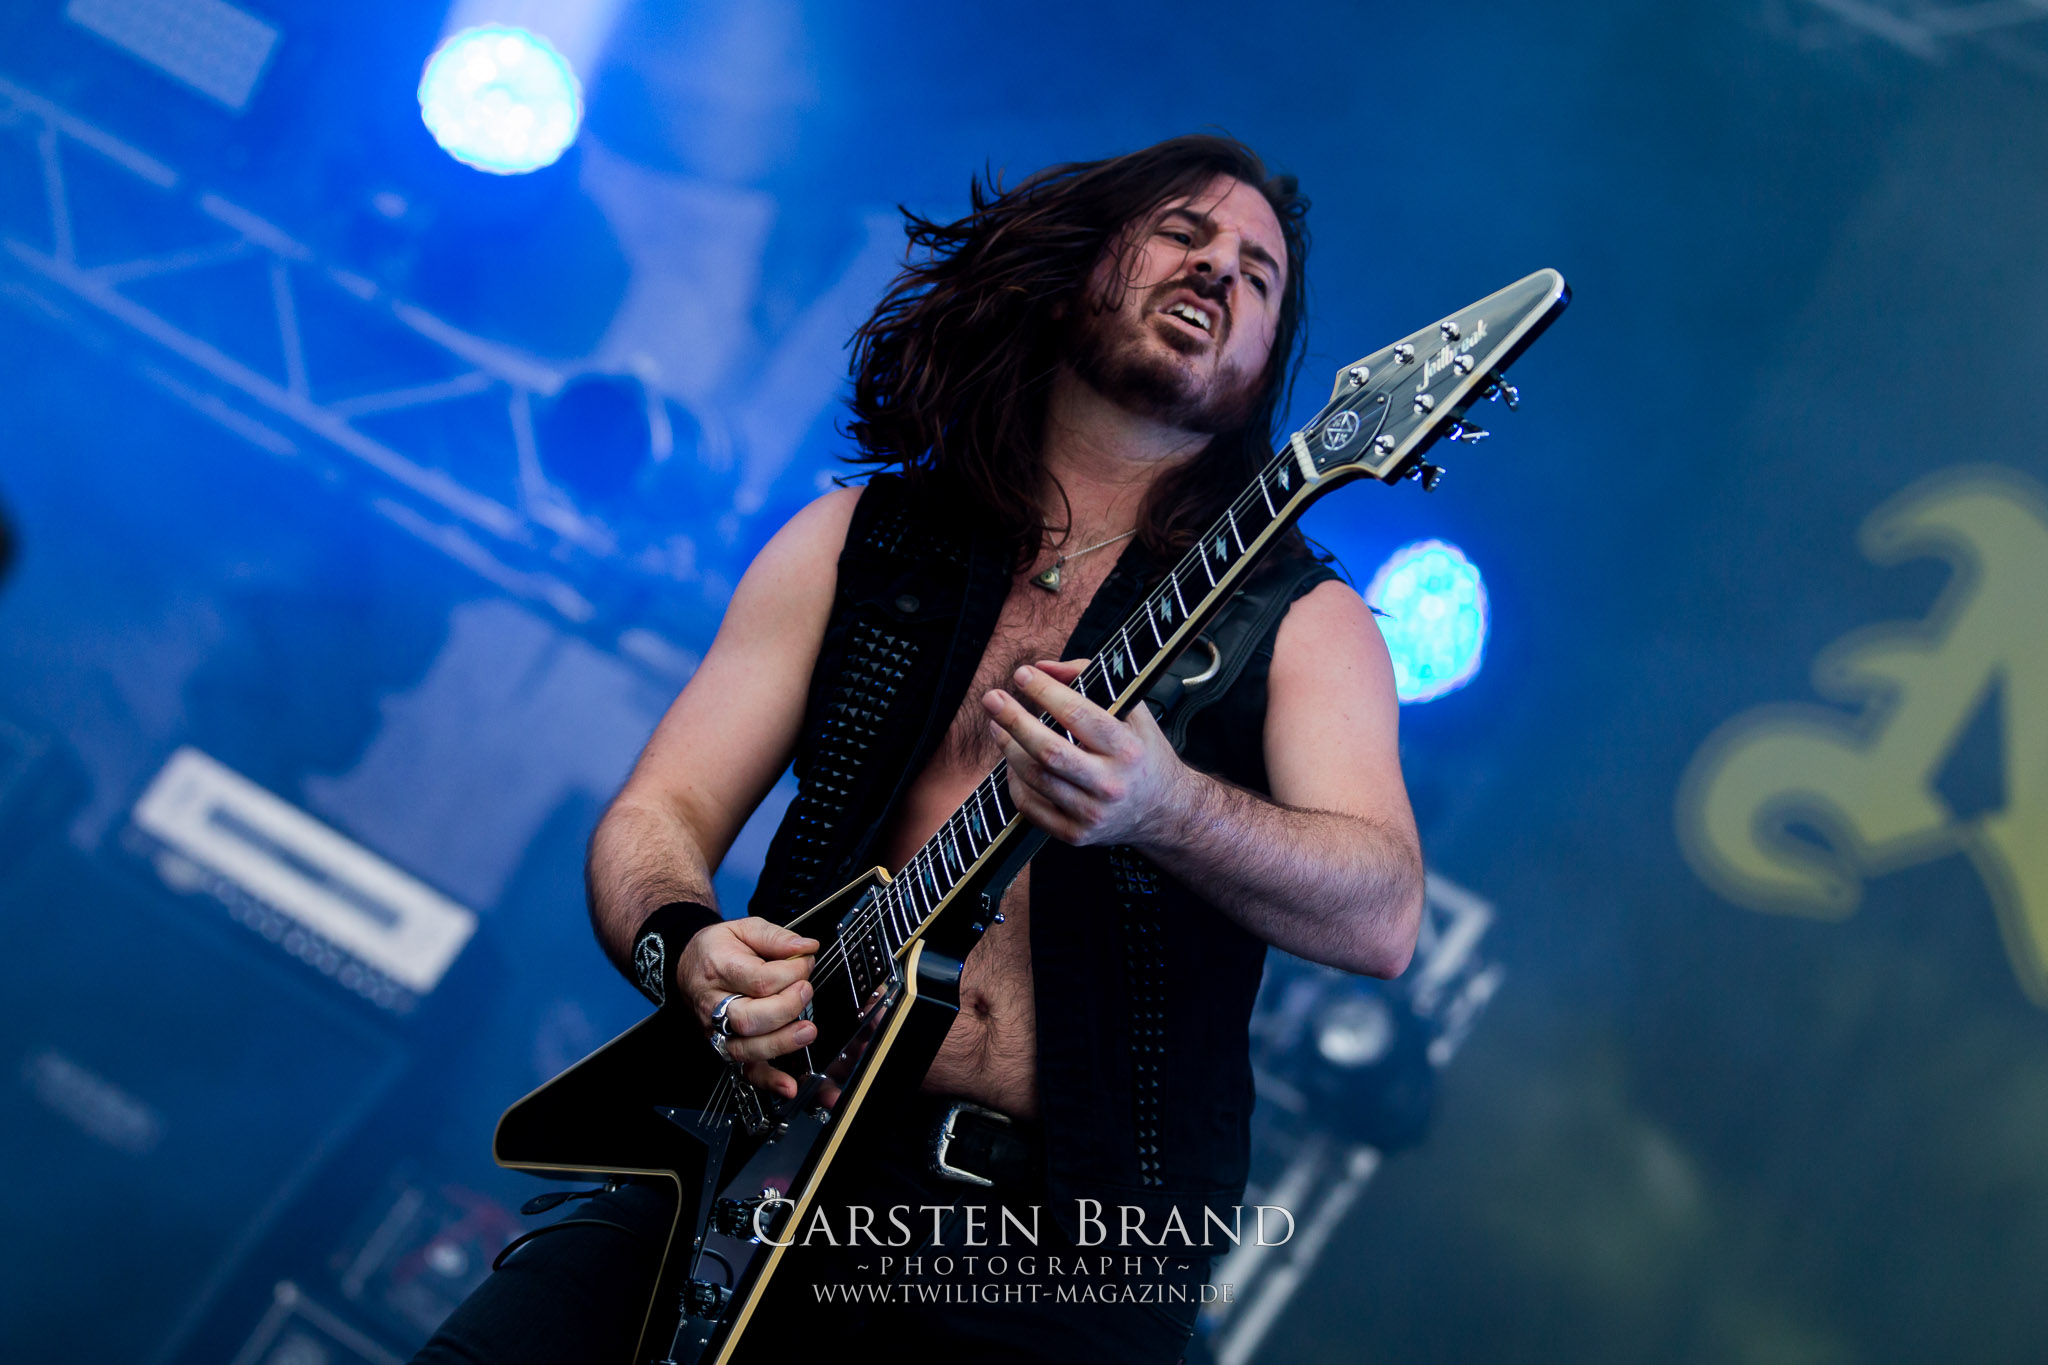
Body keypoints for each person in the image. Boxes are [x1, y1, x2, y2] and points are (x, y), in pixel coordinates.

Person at [416, 133, 1423, 1365]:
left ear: (1265, 364)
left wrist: (1164, 806)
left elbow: (1381, 914)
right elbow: (655, 815)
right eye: (1181, 234)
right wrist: (687, 952)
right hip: (733, 1160)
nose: (1218, 271)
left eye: (1257, 277)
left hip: (1042, 1267)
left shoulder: (1302, 623)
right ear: (1077, 265)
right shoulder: (856, 537)